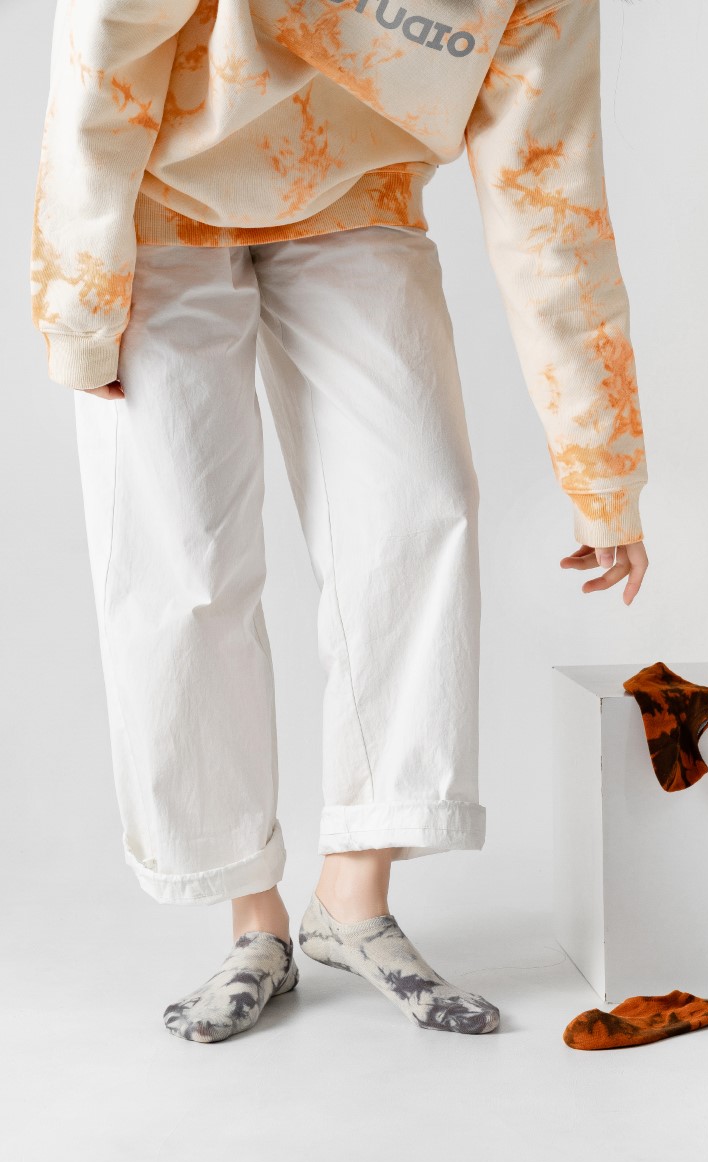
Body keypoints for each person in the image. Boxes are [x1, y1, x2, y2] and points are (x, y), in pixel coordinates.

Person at [29, 0, 649, 1043]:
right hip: (158, 198)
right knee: (184, 564)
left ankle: (350, 902)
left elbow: (550, 193)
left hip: (362, 194)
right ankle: (252, 921)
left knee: (419, 511)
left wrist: (603, 472)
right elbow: (106, 43)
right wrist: (80, 295)